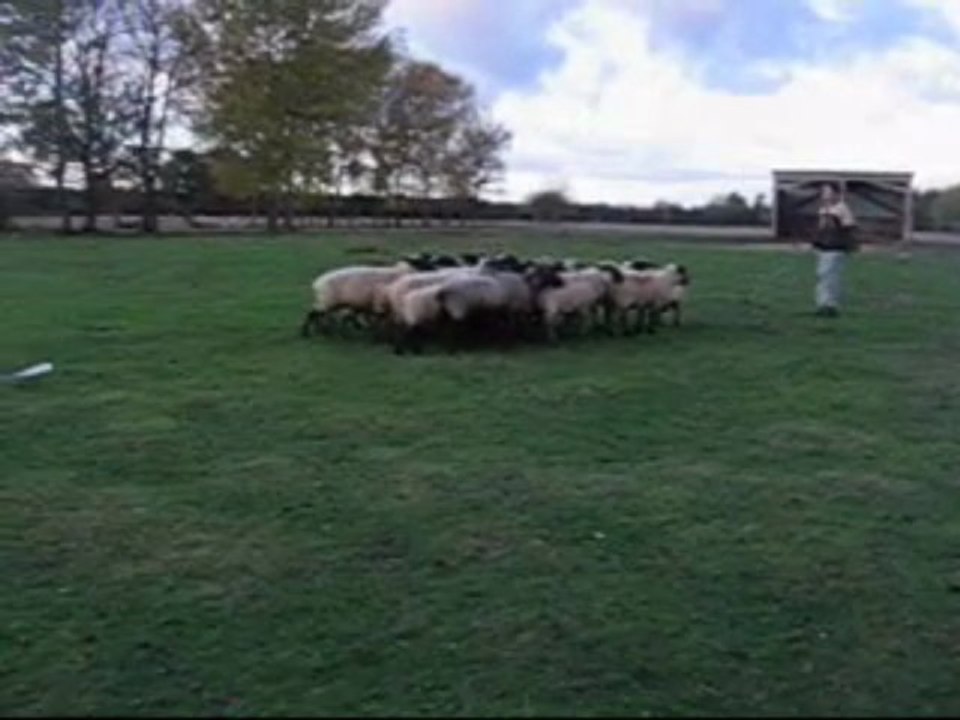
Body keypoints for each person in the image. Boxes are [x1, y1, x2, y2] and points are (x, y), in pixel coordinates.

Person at [812, 182, 858, 317]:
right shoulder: (822, 210)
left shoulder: (842, 209)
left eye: (828, 192)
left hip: (836, 247)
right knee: (822, 275)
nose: (825, 195)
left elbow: (849, 228)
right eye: (823, 192)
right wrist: (817, 243)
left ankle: (831, 305)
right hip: (824, 248)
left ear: (836, 193)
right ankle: (822, 304)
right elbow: (821, 230)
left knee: (830, 276)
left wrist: (848, 245)